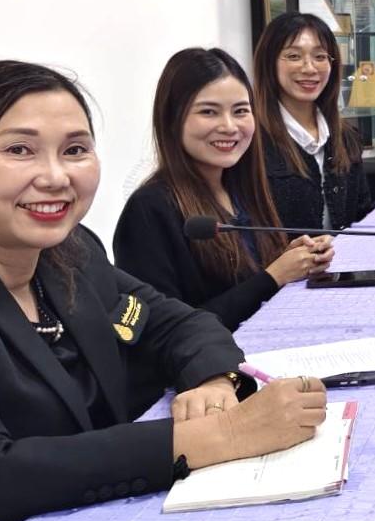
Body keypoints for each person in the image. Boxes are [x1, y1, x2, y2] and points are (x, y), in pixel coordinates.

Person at [0, 61, 329, 521]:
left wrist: (214, 381)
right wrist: (222, 434)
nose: (55, 176)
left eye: (75, 150)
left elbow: (178, 324)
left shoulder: (72, 255)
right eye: (19, 150)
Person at [114, 48, 334, 330]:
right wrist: (273, 276)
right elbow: (164, 331)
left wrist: (291, 259)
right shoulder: (149, 209)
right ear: (172, 120)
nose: (229, 127)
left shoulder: (243, 189)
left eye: (241, 111)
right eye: (209, 112)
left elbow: (246, 279)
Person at [253, 13, 374, 232]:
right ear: (268, 62)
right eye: (293, 56)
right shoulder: (252, 140)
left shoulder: (346, 137)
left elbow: (361, 217)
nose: (309, 68)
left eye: (320, 57)